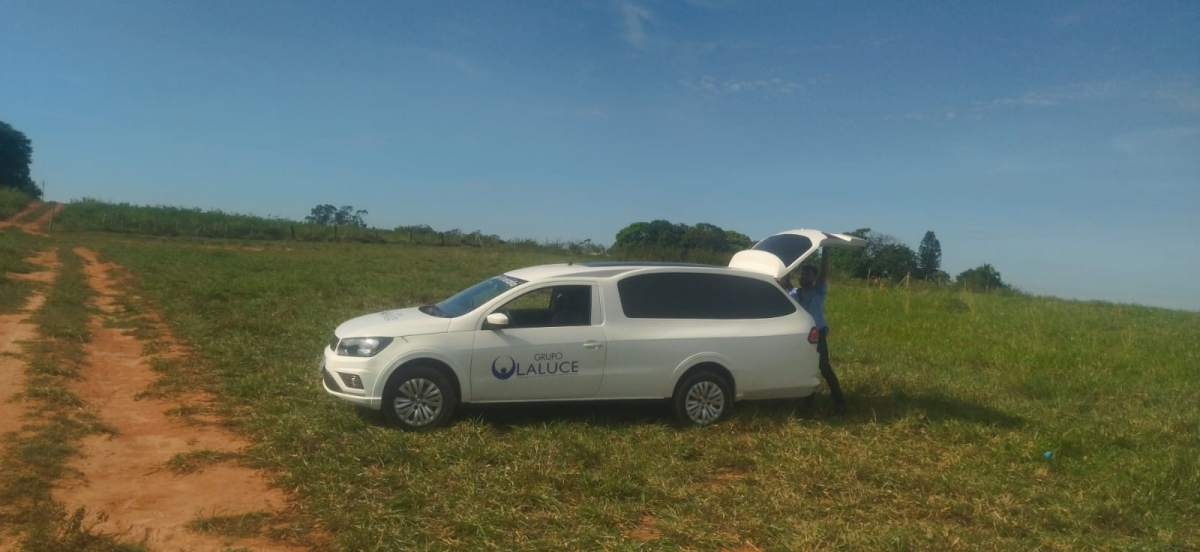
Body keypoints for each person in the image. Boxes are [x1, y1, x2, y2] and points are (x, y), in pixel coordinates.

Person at [785, 249, 847, 413]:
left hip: (817, 335)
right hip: (801, 336)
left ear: (814, 277)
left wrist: (826, 253)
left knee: (824, 368)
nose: (803, 276)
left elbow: (824, 274)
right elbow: (783, 281)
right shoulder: (794, 293)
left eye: (807, 274)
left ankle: (839, 401)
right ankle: (808, 401)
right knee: (805, 367)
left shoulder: (818, 291)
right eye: (802, 274)